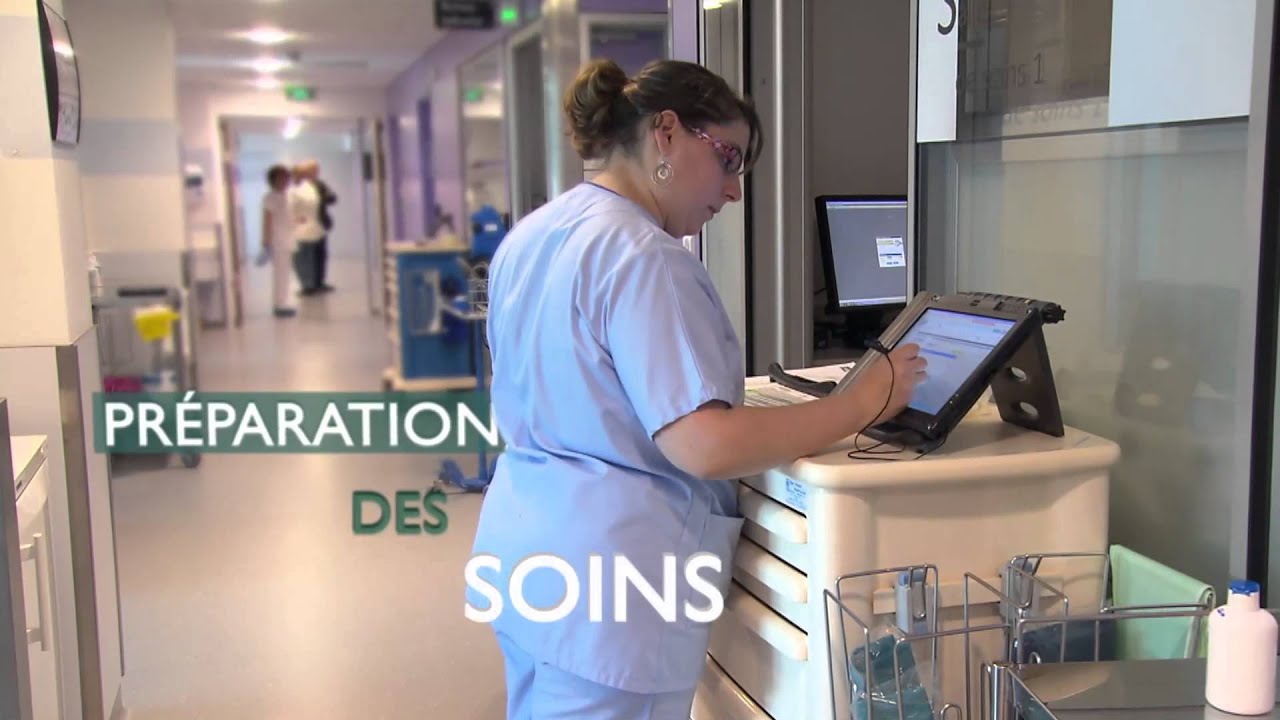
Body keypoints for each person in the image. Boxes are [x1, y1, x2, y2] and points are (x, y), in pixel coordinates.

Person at [468, 58, 927, 719]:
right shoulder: (642, 255)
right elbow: (704, 444)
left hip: (531, 558)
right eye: (728, 158)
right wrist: (863, 403)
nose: (734, 189)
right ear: (666, 133)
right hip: (615, 599)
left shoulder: (535, 234)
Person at [260, 165, 296, 318]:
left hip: (286, 240)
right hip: (278, 241)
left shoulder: (285, 196)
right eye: (282, 178)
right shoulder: (270, 197)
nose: (286, 181)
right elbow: (267, 220)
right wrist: (266, 242)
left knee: (285, 274)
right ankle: (279, 305)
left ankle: (282, 302)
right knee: (280, 275)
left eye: (287, 178)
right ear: (274, 180)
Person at [288, 161, 327, 295]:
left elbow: (290, 209)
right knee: (310, 258)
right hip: (314, 227)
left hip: (300, 229)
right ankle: (310, 284)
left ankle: (307, 285)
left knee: (300, 259)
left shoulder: (295, 191)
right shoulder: (311, 189)